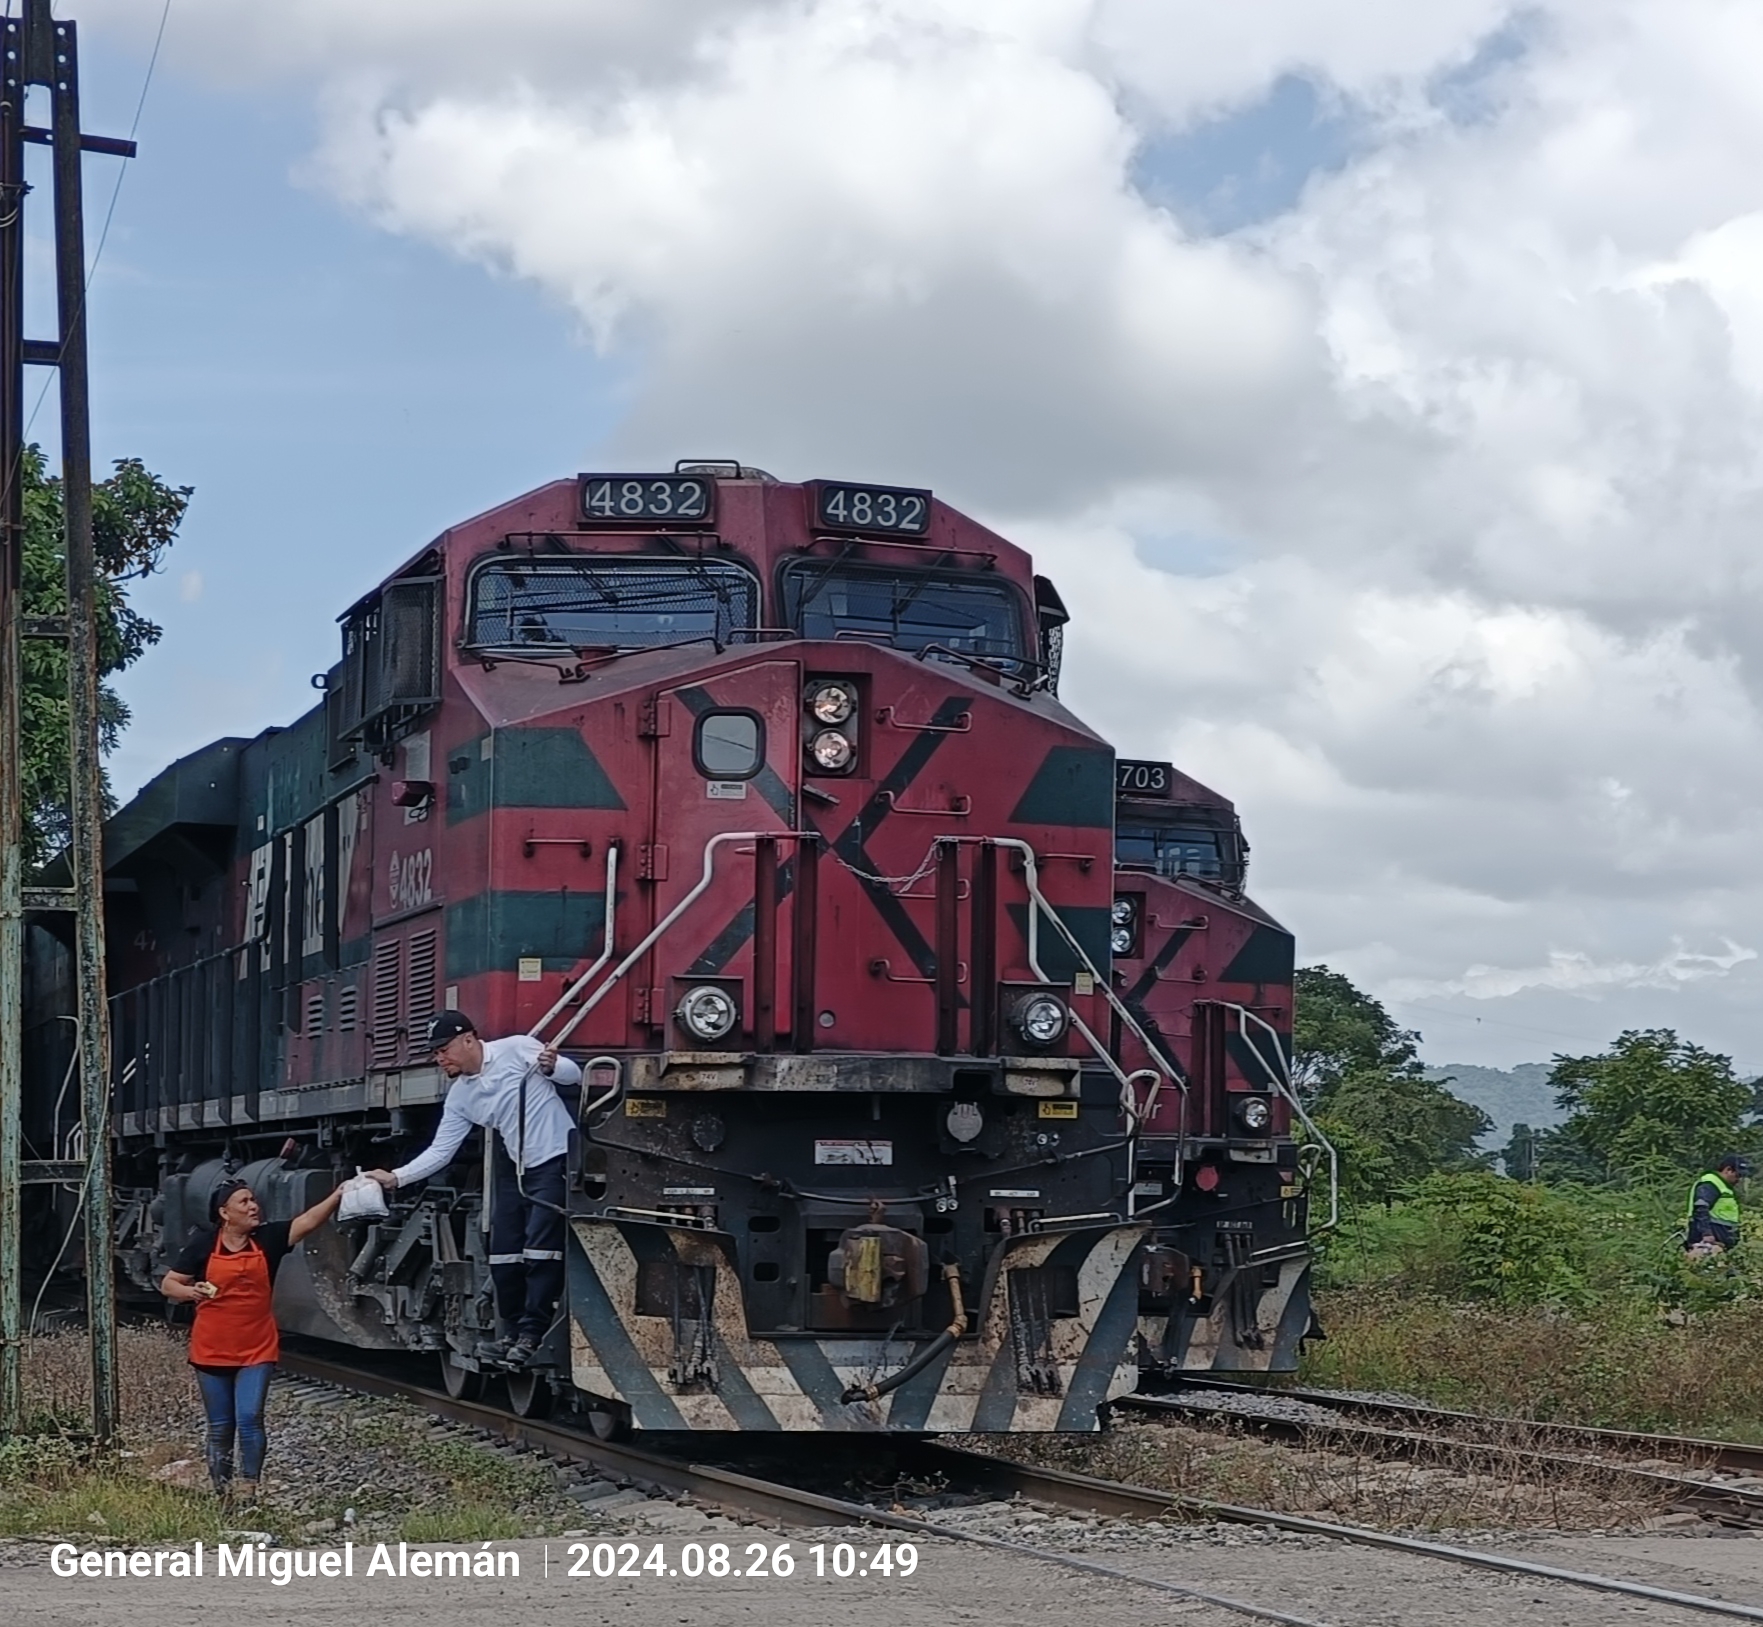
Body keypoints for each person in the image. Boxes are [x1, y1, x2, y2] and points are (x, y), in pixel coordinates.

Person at [365, 1010, 582, 1368]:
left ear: (469, 1039)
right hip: (516, 1167)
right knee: (504, 1254)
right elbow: (441, 1150)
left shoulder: (516, 1049)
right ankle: (510, 1333)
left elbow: (571, 1075)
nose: (439, 1058)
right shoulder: (461, 1097)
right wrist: (396, 1177)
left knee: (541, 1252)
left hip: (554, 1160)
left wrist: (552, 1067)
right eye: (435, 1053)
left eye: (443, 1049)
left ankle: (532, 1334)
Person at [159, 1176, 344, 1503]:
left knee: (249, 1417)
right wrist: (191, 1291)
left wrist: (338, 1195)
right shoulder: (203, 1244)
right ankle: (222, 1494)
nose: (254, 1206)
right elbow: (169, 1284)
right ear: (225, 1212)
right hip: (211, 1348)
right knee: (220, 1426)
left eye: (254, 1200)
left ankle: (248, 1489)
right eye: (244, 1201)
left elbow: (308, 1222)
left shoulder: (269, 1238)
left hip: (256, 1347)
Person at [1685, 1154, 1752, 1255]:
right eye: (1738, 1175)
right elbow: (1701, 1208)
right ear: (1728, 1170)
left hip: (1719, 1241)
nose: (1738, 1180)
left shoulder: (1723, 1187)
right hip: (1709, 1242)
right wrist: (1706, 1233)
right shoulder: (1711, 1183)